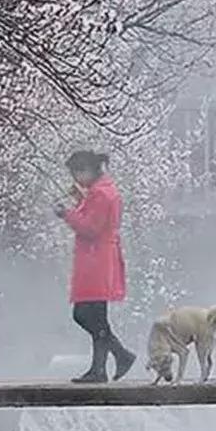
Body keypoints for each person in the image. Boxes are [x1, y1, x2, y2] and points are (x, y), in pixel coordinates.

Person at [54, 150, 136, 383]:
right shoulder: (102, 191)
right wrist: (81, 201)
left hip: (96, 261)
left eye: (77, 173)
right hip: (99, 259)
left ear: (88, 170)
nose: (76, 178)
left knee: (84, 314)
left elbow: (91, 228)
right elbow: (97, 218)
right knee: (98, 317)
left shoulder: (100, 194)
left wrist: (66, 214)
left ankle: (120, 355)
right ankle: (100, 368)